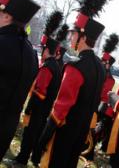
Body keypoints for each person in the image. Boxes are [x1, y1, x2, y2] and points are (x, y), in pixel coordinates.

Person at [37, 0, 115, 168]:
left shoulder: (76, 66)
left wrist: (44, 136)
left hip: (64, 133)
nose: (70, 37)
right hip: (80, 133)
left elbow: (61, 107)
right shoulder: (98, 66)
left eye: (73, 33)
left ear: (83, 36)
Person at [14, 11, 63, 167]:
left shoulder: (47, 68)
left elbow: (39, 92)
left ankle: (21, 160)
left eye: (43, 49)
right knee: (35, 135)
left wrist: (28, 109)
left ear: (47, 50)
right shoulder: (56, 66)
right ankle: (30, 159)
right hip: (46, 109)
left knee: (29, 135)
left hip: (38, 109)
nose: (41, 52)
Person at [82, 33, 119, 162]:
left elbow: (103, 94)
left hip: (99, 106)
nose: (103, 64)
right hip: (91, 103)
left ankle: (89, 152)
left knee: (92, 130)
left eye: (105, 62)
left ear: (109, 64)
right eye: (102, 61)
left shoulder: (110, 79)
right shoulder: (99, 72)